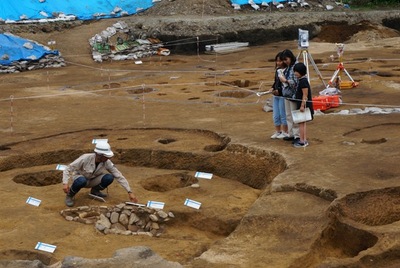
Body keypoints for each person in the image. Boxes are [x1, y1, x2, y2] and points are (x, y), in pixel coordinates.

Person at [62, 141, 138, 207]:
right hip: (80, 178)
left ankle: (95, 191)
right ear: (99, 155)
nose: (108, 158)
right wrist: (65, 183)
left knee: (109, 177)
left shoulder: (107, 162)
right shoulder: (85, 158)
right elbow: (68, 168)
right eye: (106, 156)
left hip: (93, 180)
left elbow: (118, 175)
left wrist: (129, 191)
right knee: (82, 180)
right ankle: (70, 195)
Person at [279, 49, 300, 143]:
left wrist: (285, 81)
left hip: (294, 94)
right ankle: (291, 134)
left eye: (286, 59)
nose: (285, 61)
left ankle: (297, 136)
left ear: (290, 57)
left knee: (295, 115)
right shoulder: (288, 67)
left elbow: (297, 82)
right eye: (283, 60)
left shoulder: (296, 66)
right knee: (288, 115)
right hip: (287, 94)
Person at [292, 62, 314, 148]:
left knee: (302, 123)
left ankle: (303, 141)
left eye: (296, 72)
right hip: (302, 104)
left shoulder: (303, 81)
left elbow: (305, 95)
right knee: (301, 123)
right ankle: (302, 140)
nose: (295, 73)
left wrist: (302, 105)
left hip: (303, 105)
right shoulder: (301, 80)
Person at [270, 51, 289, 139]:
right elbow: (276, 82)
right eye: (277, 61)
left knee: (283, 114)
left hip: (283, 96)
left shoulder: (287, 71)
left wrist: (279, 91)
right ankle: (278, 131)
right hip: (276, 96)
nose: (278, 63)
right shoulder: (277, 71)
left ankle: (285, 132)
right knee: (276, 115)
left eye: (280, 61)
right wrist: (272, 88)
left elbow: (286, 84)